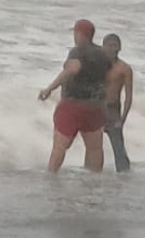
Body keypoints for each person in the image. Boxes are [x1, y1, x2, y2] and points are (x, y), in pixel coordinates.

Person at [39, 20, 110, 173]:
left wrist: (49, 89)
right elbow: (110, 79)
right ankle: (93, 180)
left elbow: (72, 69)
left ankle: (51, 176)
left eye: (75, 33)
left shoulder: (77, 51)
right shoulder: (103, 54)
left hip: (72, 105)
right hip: (95, 107)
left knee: (60, 146)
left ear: (80, 34)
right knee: (95, 148)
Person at [102, 34, 133, 173]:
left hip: (113, 111)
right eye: (109, 45)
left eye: (115, 45)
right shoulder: (97, 65)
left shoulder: (124, 68)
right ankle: (92, 175)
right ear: (103, 47)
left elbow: (128, 96)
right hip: (97, 108)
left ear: (120, 48)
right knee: (94, 146)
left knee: (118, 148)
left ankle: (125, 177)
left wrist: (123, 119)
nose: (112, 49)